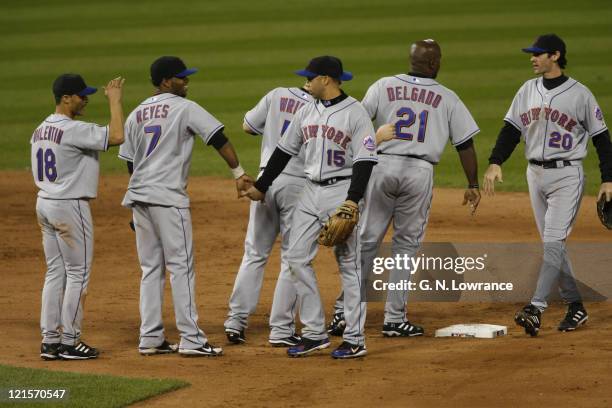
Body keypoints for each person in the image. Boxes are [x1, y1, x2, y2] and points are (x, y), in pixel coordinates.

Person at [326, 39, 481, 338]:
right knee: (405, 249)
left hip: (380, 167)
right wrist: (472, 183)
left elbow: (355, 124)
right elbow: (465, 144)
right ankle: (394, 319)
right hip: (418, 174)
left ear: (412, 61)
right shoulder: (447, 97)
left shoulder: (383, 85)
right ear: (434, 64)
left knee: (367, 242)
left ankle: (343, 314)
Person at [243, 56, 378, 359]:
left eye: (311, 77)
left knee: (349, 265)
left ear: (326, 79)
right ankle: (315, 333)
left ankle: (355, 338)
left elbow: (365, 159)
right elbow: (283, 151)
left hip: (342, 191)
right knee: (295, 258)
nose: (306, 81)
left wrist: (352, 200)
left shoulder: (355, 113)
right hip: (308, 191)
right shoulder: (307, 109)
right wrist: (261, 186)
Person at [119, 56, 253, 356]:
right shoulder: (183, 108)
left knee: (151, 269)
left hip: (139, 197)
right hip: (167, 198)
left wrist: (135, 202)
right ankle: (192, 339)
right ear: (167, 81)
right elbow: (218, 137)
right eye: (182, 78)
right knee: (181, 267)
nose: (187, 82)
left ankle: (150, 338)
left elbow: (130, 161)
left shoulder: (136, 114)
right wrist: (238, 173)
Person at [483, 34, 612, 336]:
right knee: (553, 246)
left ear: (555, 56)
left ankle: (535, 308)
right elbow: (510, 129)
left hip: (567, 176)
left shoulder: (580, 94)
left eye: (538, 54)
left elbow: (602, 140)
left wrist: (608, 179)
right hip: (534, 175)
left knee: (554, 243)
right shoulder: (527, 89)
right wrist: (495, 161)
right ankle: (576, 306)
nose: (532, 58)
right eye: (532, 53)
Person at [34, 74, 125, 360]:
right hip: (69, 207)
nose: (86, 99)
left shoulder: (39, 130)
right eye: (81, 95)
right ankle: (71, 341)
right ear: (65, 98)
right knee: (78, 274)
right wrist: (115, 101)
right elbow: (117, 136)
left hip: (45, 204)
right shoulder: (73, 129)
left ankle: (50, 340)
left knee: (55, 272)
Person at [224, 85, 311, 347]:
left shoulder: (277, 94)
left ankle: (235, 321)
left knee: (254, 253)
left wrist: (274, 128)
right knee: (292, 257)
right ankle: (282, 328)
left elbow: (248, 126)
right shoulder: (322, 108)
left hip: (265, 180)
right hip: (298, 185)